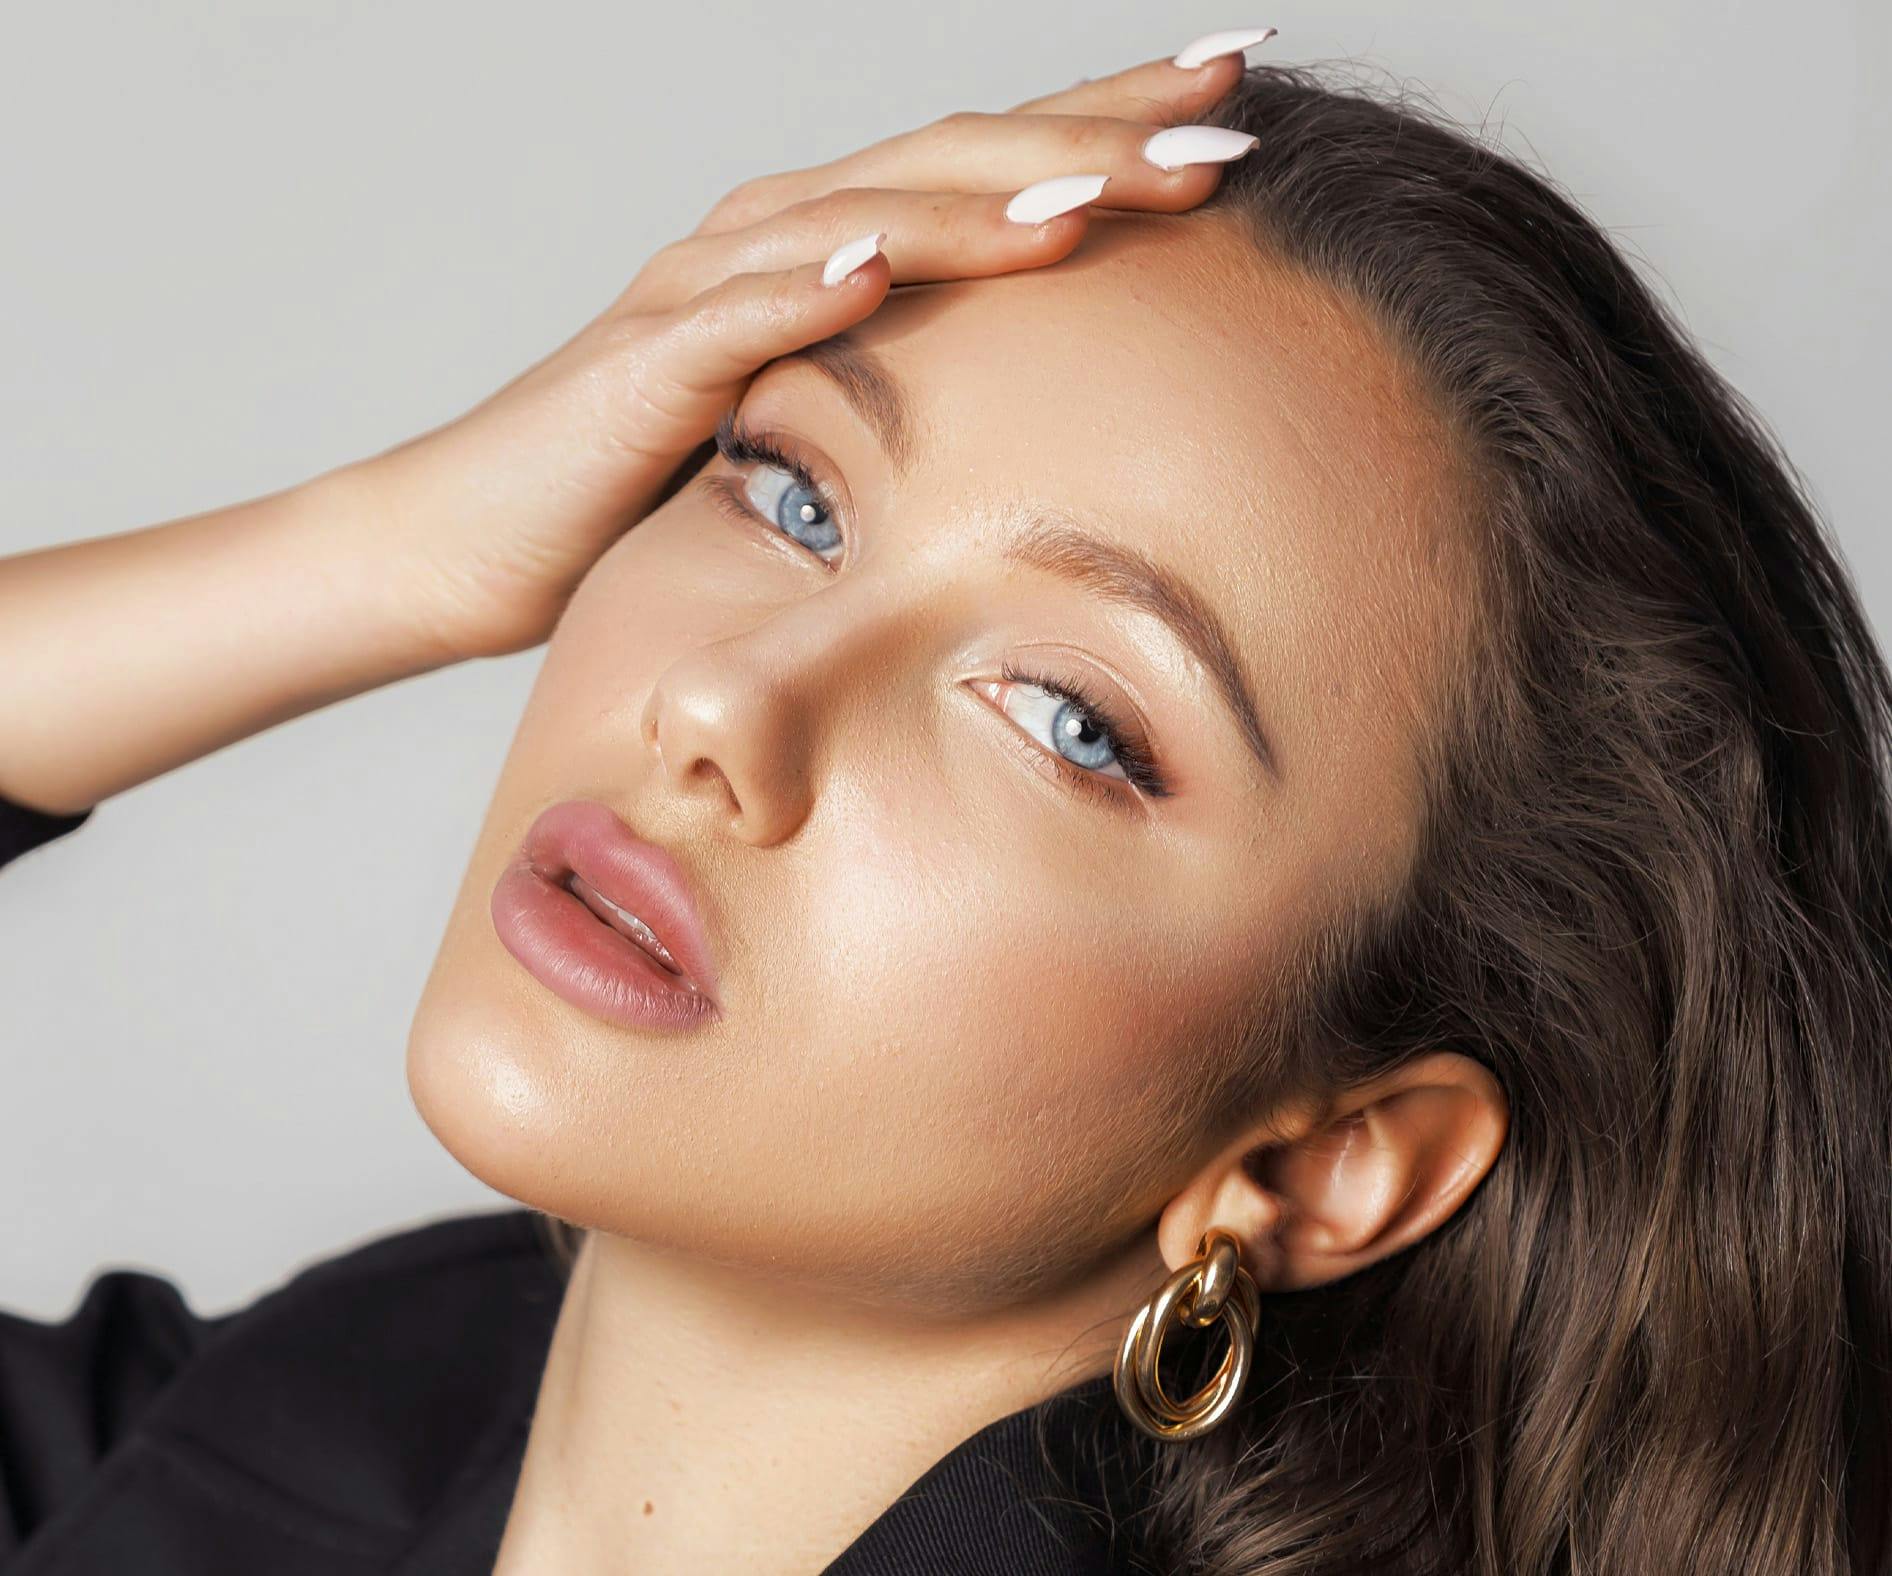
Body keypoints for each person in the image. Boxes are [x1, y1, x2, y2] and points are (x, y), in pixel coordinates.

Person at [2, 32, 1886, 1576]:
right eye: (793, 494)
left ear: (1324, 1163)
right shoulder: (303, 1424)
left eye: (1069, 717)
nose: (728, 697)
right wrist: (387, 545)